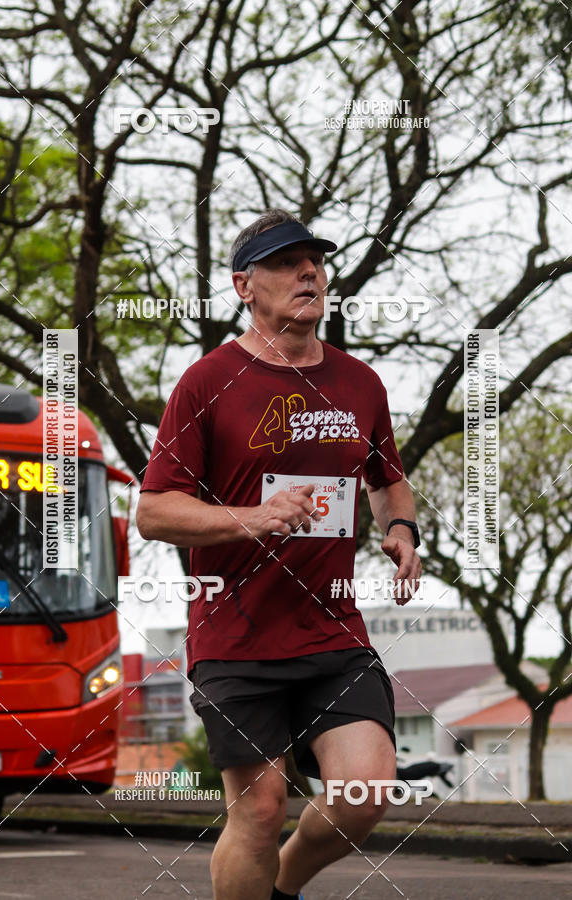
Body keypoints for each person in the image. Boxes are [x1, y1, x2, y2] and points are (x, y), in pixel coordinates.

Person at [136, 208, 422, 900]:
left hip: (331, 629)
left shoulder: (361, 384)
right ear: (245, 286)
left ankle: (283, 888)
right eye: (287, 263)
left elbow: (387, 478)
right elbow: (152, 510)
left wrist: (403, 529)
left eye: (315, 261)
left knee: (364, 794)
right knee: (259, 812)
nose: (309, 273)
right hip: (234, 638)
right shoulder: (207, 382)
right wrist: (252, 518)